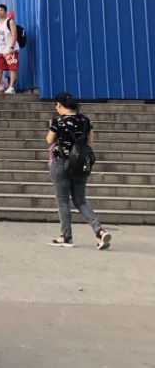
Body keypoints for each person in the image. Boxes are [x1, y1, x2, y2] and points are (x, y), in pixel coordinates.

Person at [46, 92, 111, 250]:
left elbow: (49, 140)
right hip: (80, 164)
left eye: (56, 106)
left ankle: (66, 237)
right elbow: (90, 141)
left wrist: (52, 126)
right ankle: (99, 231)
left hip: (61, 163)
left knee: (63, 200)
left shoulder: (57, 121)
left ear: (60, 105)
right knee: (81, 200)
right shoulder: (86, 120)